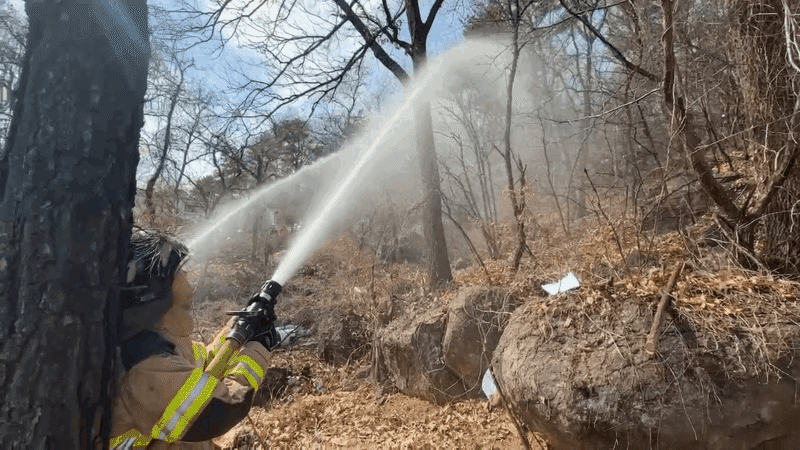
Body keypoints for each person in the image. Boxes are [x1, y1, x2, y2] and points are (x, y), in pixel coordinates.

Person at [107, 229, 279, 449]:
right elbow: (222, 408)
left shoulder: (155, 343)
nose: (191, 288)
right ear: (154, 297)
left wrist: (239, 327)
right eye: (180, 276)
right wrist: (258, 347)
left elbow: (201, 365)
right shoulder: (145, 367)